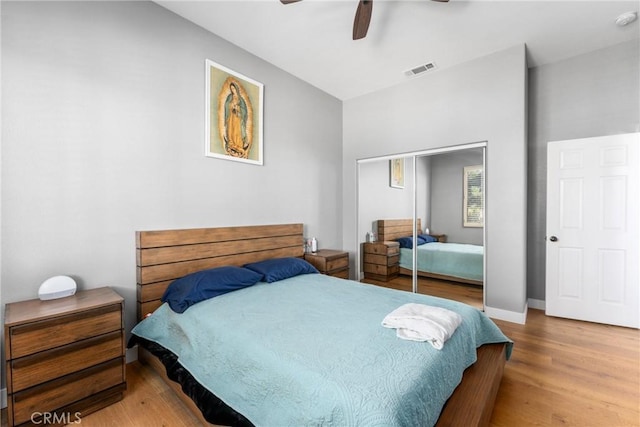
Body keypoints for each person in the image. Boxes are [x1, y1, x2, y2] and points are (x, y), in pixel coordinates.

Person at [223, 82, 249, 156]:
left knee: (237, 131)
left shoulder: (241, 100)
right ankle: (231, 145)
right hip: (231, 116)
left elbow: (244, 111)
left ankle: (239, 146)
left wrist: (238, 108)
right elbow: (226, 105)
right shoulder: (229, 97)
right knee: (231, 130)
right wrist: (231, 105)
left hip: (238, 118)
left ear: (236, 89)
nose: (232, 90)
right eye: (231, 89)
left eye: (233, 88)